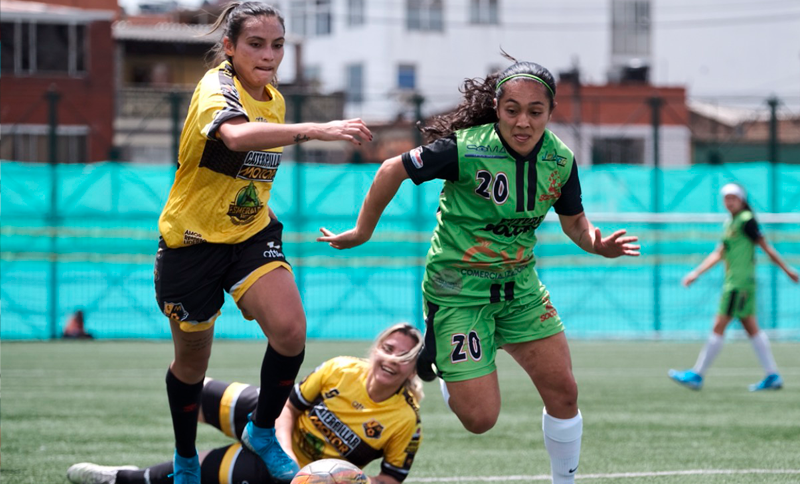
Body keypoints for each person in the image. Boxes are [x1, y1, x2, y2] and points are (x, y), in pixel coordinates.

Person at [317, 55, 640, 484]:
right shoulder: (465, 148)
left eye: (535, 111)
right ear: (497, 107)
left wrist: (599, 244)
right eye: (512, 110)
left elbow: (577, 225)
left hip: (520, 291)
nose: (522, 121)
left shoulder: (560, 160)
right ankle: (447, 361)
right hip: (458, 294)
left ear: (550, 112)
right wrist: (361, 231)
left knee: (565, 393)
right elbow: (392, 168)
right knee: (480, 419)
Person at [153, 3, 372, 484]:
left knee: (291, 331)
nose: (269, 55)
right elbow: (233, 137)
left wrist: (259, 217)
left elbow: (250, 173)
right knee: (193, 363)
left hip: (250, 233)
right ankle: (186, 457)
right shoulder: (217, 87)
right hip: (192, 245)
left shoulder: (273, 99)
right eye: (256, 43)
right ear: (229, 48)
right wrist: (313, 129)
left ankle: (262, 428)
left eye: (277, 45)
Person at [66, 323, 424, 484]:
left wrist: (348, 481)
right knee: (190, 389)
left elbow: (390, 478)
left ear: (413, 369)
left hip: (297, 477)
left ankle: (122, 477)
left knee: (200, 473)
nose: (392, 359)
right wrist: (283, 453)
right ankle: (207, 444)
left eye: (404, 356)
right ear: (376, 349)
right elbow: (287, 407)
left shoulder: (406, 421)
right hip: (274, 432)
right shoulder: (340, 369)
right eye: (388, 348)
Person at [668, 183, 798, 392]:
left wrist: (787, 270)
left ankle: (697, 374)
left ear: (742, 200)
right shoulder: (730, 223)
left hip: (739, 284)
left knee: (719, 325)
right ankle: (772, 375)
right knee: (750, 327)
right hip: (737, 284)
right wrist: (696, 273)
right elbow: (719, 253)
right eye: (726, 198)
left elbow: (766, 247)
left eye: (733, 198)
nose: (729, 202)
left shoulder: (746, 221)